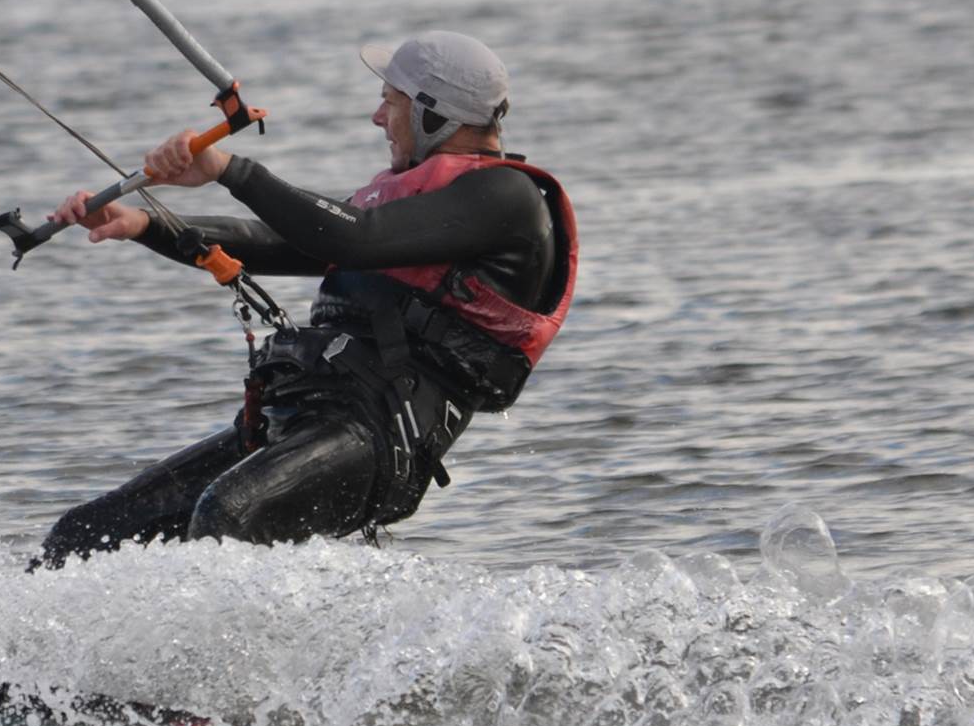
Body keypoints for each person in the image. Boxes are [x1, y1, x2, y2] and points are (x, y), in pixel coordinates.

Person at [39, 32, 576, 565]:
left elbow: (351, 237)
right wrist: (144, 224)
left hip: (379, 437)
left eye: (389, 102)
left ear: (432, 115)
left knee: (227, 516)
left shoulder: (503, 196)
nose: (377, 117)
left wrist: (231, 170)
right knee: (84, 535)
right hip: (305, 417)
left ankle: (220, 628)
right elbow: (282, 243)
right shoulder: (421, 202)